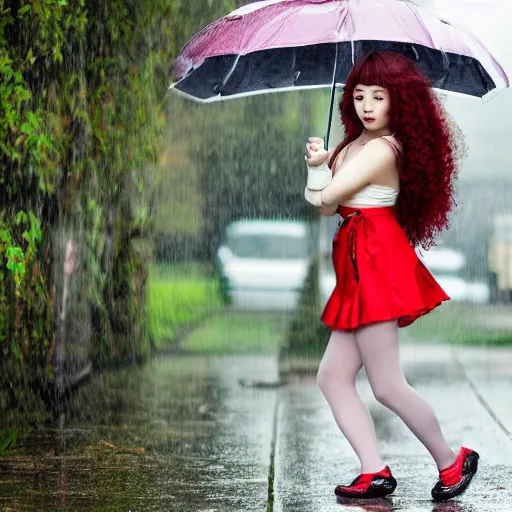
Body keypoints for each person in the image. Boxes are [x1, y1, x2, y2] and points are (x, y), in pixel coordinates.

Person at [303, 51, 478, 503]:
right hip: (360, 261)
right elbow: (323, 205)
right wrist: (321, 165)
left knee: (386, 384)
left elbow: (327, 196)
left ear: (398, 102)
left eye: (378, 97)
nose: (366, 105)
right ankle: (373, 469)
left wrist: (319, 169)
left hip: (378, 261)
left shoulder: (384, 148)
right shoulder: (353, 144)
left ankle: (451, 458)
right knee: (333, 378)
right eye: (359, 95)